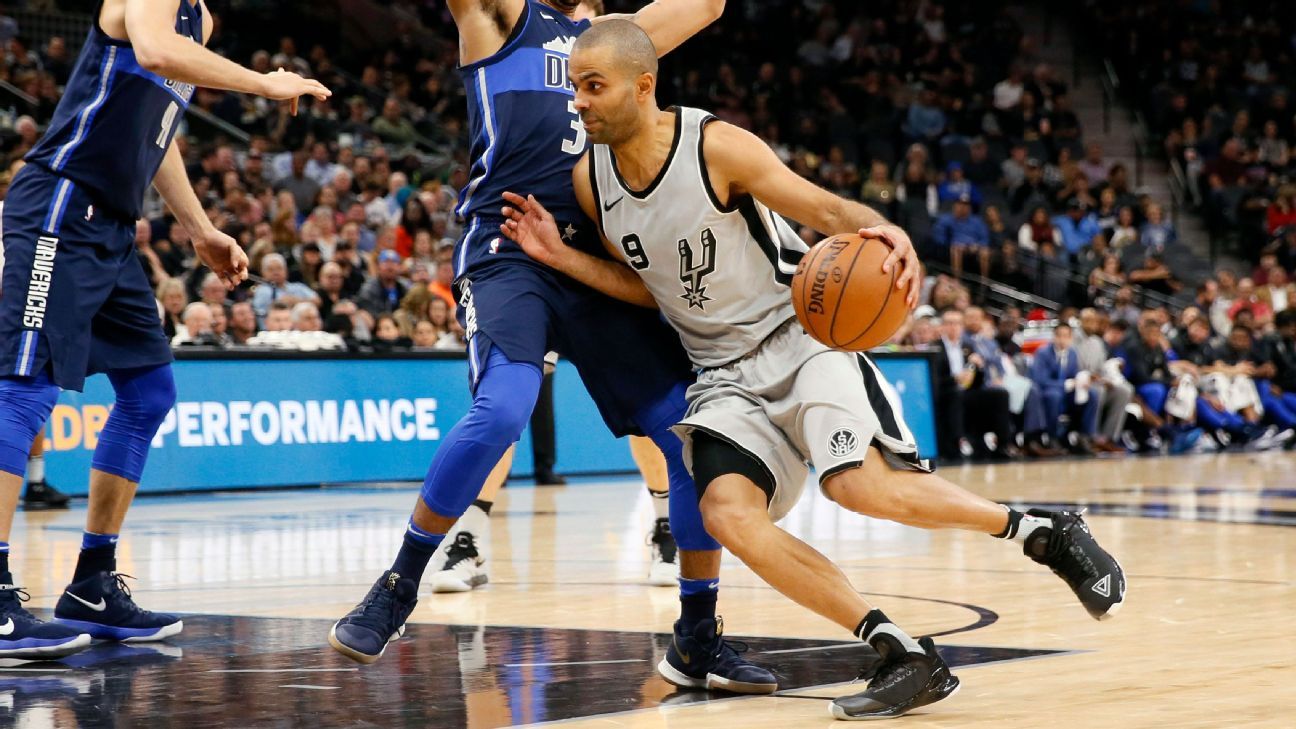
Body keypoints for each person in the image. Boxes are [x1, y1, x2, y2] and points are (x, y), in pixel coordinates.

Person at [500, 21, 1126, 720]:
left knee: (859, 486)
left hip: (798, 336)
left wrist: (888, 231)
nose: (579, 102)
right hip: (721, 372)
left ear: (643, 86)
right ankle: (901, 652)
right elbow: (652, 287)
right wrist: (562, 258)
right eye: (575, 87)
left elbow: (826, 208)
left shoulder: (714, 146)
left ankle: (1040, 529)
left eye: (594, 86)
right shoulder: (591, 182)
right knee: (725, 514)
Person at [328, 2, 777, 696]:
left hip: (594, 261)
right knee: (503, 408)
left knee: (693, 435)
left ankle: (696, 636)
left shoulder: (614, 39)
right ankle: (398, 585)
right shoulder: (503, 18)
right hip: (510, 250)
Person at [0, 0, 326, 659]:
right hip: (61, 202)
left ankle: (93, 584)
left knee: (149, 391)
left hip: (113, 225)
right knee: (25, 390)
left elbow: (160, 131)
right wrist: (265, 83)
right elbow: (152, 49)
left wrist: (200, 228)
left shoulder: (199, 20)